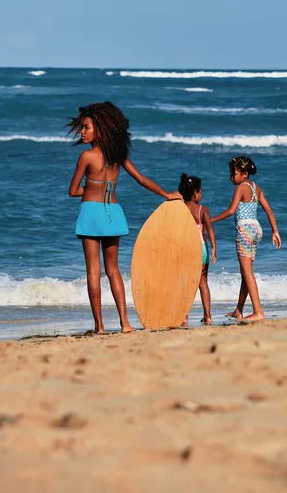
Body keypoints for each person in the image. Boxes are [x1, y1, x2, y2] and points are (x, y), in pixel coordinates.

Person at [67, 102, 182, 334]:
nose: (83, 132)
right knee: (114, 270)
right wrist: (167, 194)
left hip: (91, 213)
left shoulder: (87, 156)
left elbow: (73, 191)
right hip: (114, 214)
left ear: (101, 129)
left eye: (87, 127)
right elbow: (141, 179)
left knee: (93, 271)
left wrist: (90, 189)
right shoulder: (119, 157)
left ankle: (99, 326)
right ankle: (125, 323)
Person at [212, 156, 281, 322]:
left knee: (247, 272)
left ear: (244, 174)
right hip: (256, 229)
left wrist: (210, 220)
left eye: (233, 173)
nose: (231, 177)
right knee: (245, 272)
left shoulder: (241, 187)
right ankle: (239, 310)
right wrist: (275, 231)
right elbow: (270, 211)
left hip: (244, 230)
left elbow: (230, 211)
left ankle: (258, 312)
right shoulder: (256, 188)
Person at [178, 173, 216, 326]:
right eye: (200, 191)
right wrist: (214, 248)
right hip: (201, 249)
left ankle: (184, 317)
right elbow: (210, 229)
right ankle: (207, 316)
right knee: (203, 282)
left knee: (185, 283)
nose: (201, 194)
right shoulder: (202, 210)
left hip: (185, 248)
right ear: (195, 193)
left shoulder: (180, 208)